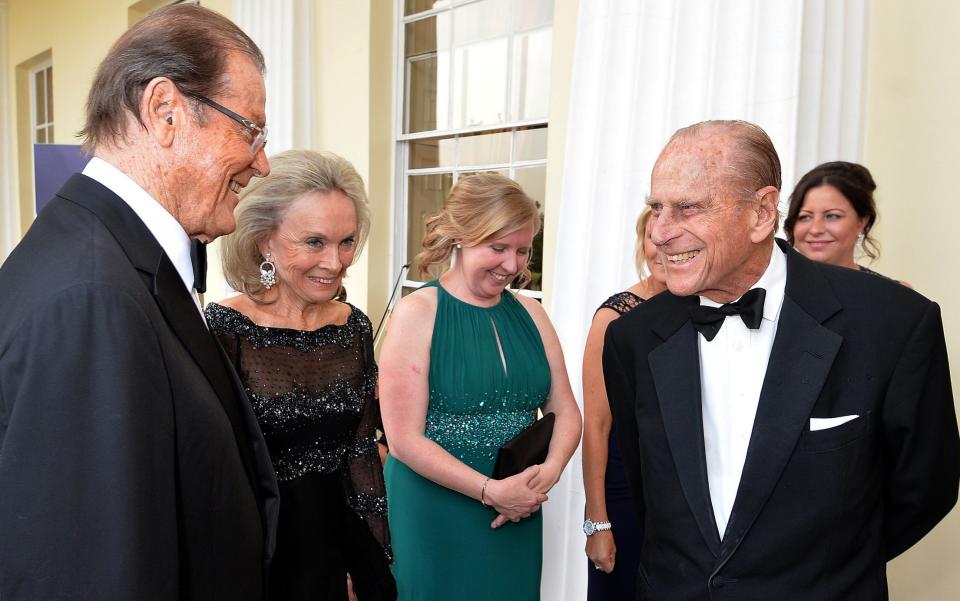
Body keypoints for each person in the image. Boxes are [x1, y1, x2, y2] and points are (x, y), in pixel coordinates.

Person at [603, 120, 959, 601]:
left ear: (761, 212)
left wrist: (825, 574)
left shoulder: (892, 324)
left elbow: (925, 490)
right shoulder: (633, 337)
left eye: (688, 208)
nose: (661, 232)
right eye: (656, 208)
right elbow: (648, 491)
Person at [0, 5, 279, 600]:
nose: (262, 162)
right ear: (164, 111)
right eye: (249, 129)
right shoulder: (91, 301)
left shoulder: (110, 259)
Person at [379, 173, 582, 601]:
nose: (512, 265)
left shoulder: (533, 315)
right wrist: (491, 492)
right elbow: (402, 441)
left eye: (522, 250)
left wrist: (545, 475)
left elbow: (565, 411)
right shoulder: (417, 313)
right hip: (435, 511)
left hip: (516, 512)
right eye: (498, 248)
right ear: (460, 237)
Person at [206, 149, 396, 601]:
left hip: (340, 541)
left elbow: (361, 452)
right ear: (264, 241)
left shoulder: (353, 327)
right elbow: (220, 471)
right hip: (264, 555)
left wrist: (369, 556)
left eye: (346, 241)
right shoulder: (224, 330)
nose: (335, 262)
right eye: (314, 242)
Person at [581, 207, 665, 599]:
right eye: (653, 236)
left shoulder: (710, 309)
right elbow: (596, 425)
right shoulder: (615, 317)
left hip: (686, 502)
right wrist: (598, 521)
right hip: (625, 495)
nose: (663, 246)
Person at [785, 160, 905, 282]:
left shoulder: (890, 294)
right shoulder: (772, 286)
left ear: (862, 222)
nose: (816, 229)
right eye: (805, 217)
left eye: (832, 216)